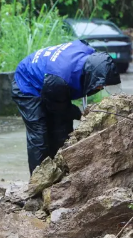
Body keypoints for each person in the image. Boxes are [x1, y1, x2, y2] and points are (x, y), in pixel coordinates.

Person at [13, 41, 121, 174]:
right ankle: (39, 179)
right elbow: (58, 108)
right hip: (27, 82)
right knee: (40, 134)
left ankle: (62, 173)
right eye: (100, 85)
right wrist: (80, 114)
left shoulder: (92, 56)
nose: (100, 88)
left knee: (63, 130)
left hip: (51, 81)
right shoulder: (60, 80)